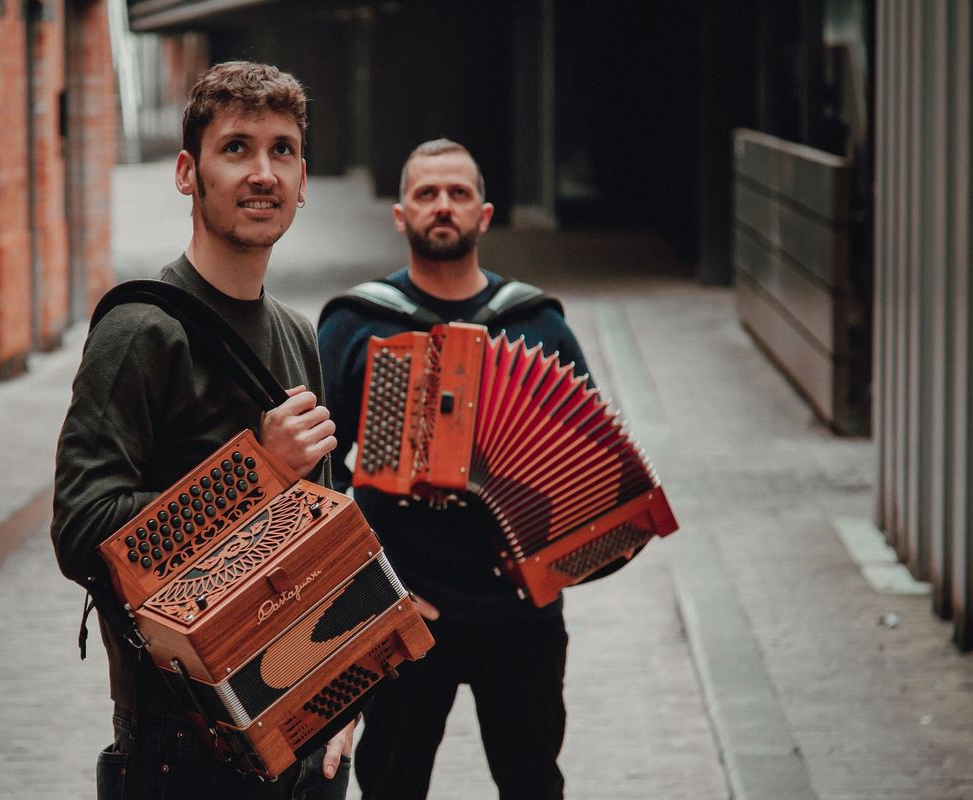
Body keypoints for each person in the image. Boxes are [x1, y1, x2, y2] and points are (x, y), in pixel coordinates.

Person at [51, 61, 353, 800]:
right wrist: (257, 472)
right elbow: (82, 528)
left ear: (304, 180)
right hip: (182, 752)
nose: (263, 172)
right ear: (188, 173)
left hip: (303, 740)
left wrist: (347, 697)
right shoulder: (140, 333)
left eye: (282, 151)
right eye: (236, 148)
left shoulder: (295, 334)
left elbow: (329, 535)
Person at [318, 139, 608, 799]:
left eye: (458, 194)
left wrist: (559, 556)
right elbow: (314, 480)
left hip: (519, 612)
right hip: (403, 608)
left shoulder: (538, 324)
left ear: (485, 213)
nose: (442, 207)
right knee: (392, 785)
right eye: (426, 194)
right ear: (400, 216)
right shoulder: (357, 324)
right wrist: (366, 590)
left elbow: (586, 464)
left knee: (533, 782)